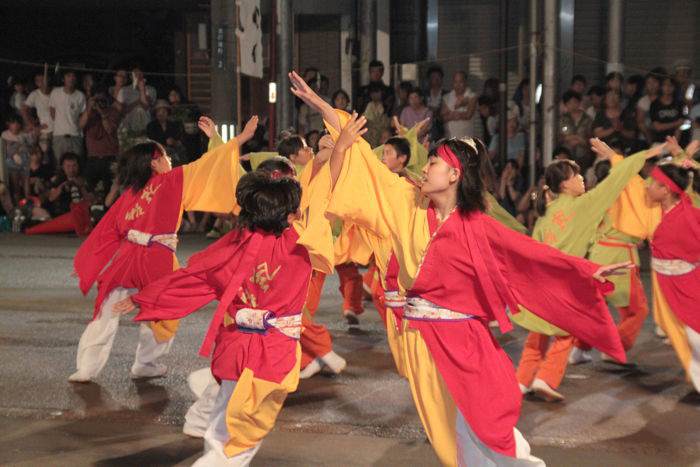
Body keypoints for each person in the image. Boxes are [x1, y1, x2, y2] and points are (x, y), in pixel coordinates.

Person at [290, 70, 630, 466]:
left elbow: (531, 257)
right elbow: (363, 163)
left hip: (463, 341)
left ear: (454, 175)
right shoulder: (403, 203)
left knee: (474, 431)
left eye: (434, 161)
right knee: (451, 437)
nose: (425, 167)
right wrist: (327, 112)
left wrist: (584, 272)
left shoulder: (477, 225)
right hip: (420, 339)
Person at [114, 143, 334, 466]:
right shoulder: (301, 244)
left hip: (236, 348)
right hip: (272, 355)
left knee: (222, 425)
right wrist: (336, 152)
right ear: (292, 215)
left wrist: (144, 299)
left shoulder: (235, 244)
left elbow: (193, 278)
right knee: (237, 437)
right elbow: (325, 192)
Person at [66, 116, 258, 383]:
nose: (170, 160)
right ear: (153, 162)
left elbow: (106, 231)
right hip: (156, 257)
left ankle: (90, 367)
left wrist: (88, 262)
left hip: (131, 257)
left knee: (108, 308)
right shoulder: (172, 181)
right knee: (161, 312)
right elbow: (209, 165)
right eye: (165, 156)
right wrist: (240, 138)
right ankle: (145, 363)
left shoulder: (132, 193)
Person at [516, 139, 666, 401]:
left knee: (538, 333)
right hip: (567, 283)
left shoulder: (545, 215)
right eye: (576, 176)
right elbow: (617, 179)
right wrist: (637, 154)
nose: (582, 180)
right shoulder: (584, 206)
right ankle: (545, 378)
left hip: (542, 285)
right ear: (564, 184)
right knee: (567, 331)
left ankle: (521, 380)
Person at [646, 161, 700, 394]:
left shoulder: (686, 217)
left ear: (666, 189)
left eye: (652, 184)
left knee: (695, 336)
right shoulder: (670, 209)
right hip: (670, 283)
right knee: (689, 337)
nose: (647, 188)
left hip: (688, 283)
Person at [25, 152, 92, 236]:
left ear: (78, 166)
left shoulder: (84, 180)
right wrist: (62, 186)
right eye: (68, 166)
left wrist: (81, 187)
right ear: (63, 167)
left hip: (78, 215)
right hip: (59, 213)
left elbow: (90, 200)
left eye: (74, 166)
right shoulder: (58, 180)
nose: (71, 169)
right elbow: (51, 198)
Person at [79, 89, 121, 194]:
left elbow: (110, 129)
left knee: (110, 189)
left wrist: (102, 113)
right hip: (93, 157)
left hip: (110, 156)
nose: (100, 102)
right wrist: (89, 108)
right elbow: (81, 125)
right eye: (97, 100)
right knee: (90, 189)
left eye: (102, 99)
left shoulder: (112, 112)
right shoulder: (88, 113)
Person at [115, 66, 156, 151]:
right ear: (131, 76)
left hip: (145, 129)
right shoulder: (124, 90)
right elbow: (121, 111)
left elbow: (145, 106)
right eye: (135, 74)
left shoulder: (150, 89)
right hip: (128, 129)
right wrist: (138, 101)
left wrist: (142, 90)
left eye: (140, 74)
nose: (138, 77)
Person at [49, 70, 86, 161]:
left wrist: (77, 127)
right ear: (63, 79)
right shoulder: (55, 92)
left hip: (75, 136)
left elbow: (83, 114)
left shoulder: (80, 95)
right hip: (59, 135)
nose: (71, 78)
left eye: (73, 76)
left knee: (76, 164)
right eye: (68, 75)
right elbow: (52, 110)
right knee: (59, 165)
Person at [147, 99, 187, 166]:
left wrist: (174, 142)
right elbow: (151, 141)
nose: (161, 114)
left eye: (164, 111)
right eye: (159, 111)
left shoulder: (173, 125)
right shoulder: (151, 126)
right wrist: (163, 148)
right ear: (155, 113)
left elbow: (179, 140)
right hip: (157, 152)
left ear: (167, 113)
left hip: (173, 152)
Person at [1, 114, 31, 202]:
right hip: (12, 164)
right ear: (8, 124)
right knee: (16, 187)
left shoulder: (23, 134)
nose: (15, 125)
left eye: (18, 123)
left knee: (26, 186)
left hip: (24, 163)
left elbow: (28, 148)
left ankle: (28, 203)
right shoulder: (4, 134)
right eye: (13, 123)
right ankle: (18, 206)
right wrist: (17, 146)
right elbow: (6, 149)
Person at [559, 90, 593, 163]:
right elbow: (559, 136)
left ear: (579, 103)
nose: (572, 105)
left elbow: (591, 137)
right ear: (565, 105)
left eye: (575, 102)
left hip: (584, 156)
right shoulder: (562, 119)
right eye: (569, 103)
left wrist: (582, 141)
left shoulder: (587, 119)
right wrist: (573, 138)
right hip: (567, 155)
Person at [441, 71, 477, 139]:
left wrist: (451, 114)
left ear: (466, 82)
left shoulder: (472, 96)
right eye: (455, 82)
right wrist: (460, 114)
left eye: (461, 82)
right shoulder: (446, 97)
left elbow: (468, 115)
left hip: (466, 140)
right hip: (450, 139)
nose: (458, 85)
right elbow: (443, 117)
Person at [649, 77, 684, 144]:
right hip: (658, 141)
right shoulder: (655, 104)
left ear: (674, 87)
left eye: (670, 85)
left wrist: (674, 144)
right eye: (665, 85)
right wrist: (675, 123)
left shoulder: (679, 104)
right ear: (661, 87)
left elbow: (680, 126)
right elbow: (657, 127)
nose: (668, 87)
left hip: (675, 142)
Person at [22, 72, 53, 141]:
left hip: (59, 130)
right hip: (44, 130)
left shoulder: (57, 91)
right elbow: (24, 110)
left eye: (43, 80)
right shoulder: (34, 94)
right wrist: (32, 125)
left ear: (49, 79)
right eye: (38, 80)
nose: (41, 82)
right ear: (36, 83)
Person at [636, 73, 661, 144]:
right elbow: (640, 122)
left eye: (654, 82)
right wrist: (649, 138)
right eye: (649, 83)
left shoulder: (664, 99)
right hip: (645, 139)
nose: (652, 85)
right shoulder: (643, 101)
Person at [424, 65, 446, 141]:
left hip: (442, 128)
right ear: (429, 79)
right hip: (426, 128)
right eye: (433, 77)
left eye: (438, 77)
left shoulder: (446, 94)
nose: (436, 80)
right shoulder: (424, 94)